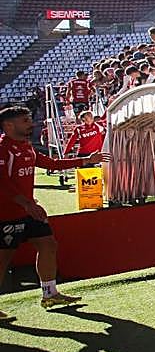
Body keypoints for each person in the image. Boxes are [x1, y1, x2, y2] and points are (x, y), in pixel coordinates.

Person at [0, 105, 101, 318]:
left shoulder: (26, 146)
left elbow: (52, 164)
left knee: (48, 245)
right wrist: (27, 204)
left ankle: (49, 293)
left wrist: (85, 161)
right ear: (9, 125)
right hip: (7, 213)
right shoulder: (3, 149)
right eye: (25, 121)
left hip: (29, 211)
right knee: (3, 259)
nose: (32, 124)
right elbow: (2, 184)